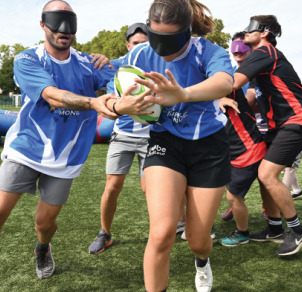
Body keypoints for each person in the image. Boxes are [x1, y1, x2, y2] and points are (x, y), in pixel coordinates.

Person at [0, 1, 120, 291]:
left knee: (45, 224)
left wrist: (111, 64)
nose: (64, 29)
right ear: (43, 24)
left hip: (67, 156)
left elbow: (122, 80)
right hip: (26, 148)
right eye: (57, 21)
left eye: (70, 21)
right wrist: (93, 102)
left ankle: (42, 248)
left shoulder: (87, 63)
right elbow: (52, 95)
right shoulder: (27, 60)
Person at [106, 1, 234, 290]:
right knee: (162, 233)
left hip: (208, 148)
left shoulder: (208, 51)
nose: (162, 49)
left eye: (171, 40)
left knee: (199, 241)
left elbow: (225, 82)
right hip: (165, 143)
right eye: (155, 38)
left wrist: (183, 94)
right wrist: (118, 104)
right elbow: (109, 90)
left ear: (188, 32)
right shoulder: (139, 54)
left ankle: (202, 262)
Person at [234, 15, 302, 256]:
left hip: (297, 122)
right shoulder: (261, 59)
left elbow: (233, 81)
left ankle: (298, 231)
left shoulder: (263, 52)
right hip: (279, 125)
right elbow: (250, 97)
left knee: (266, 174)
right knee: (264, 175)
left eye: (249, 29)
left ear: (263, 32)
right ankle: (274, 228)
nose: (244, 32)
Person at [88, 22, 151, 255]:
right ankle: (104, 233)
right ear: (128, 45)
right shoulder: (114, 67)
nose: (141, 48)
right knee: (112, 187)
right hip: (122, 135)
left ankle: (162, 230)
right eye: (136, 44)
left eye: (146, 44)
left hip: (151, 138)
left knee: (151, 189)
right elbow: (108, 104)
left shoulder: (158, 64)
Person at [218, 88, 267, 247]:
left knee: (233, 196)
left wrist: (219, 98)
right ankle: (273, 221)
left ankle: (242, 233)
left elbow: (227, 84)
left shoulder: (229, 87)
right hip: (234, 152)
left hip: (248, 151)